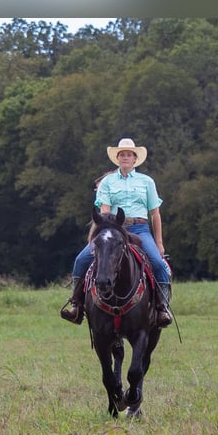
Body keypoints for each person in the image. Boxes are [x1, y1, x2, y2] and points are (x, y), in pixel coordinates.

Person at [60, 138, 173, 328]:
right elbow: (104, 211)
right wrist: (106, 229)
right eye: (122, 155)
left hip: (140, 228)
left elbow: (155, 213)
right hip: (113, 229)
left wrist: (159, 242)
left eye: (129, 154)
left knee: (158, 264)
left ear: (135, 158)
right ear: (117, 158)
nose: (125, 157)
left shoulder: (147, 182)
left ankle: (162, 308)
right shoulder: (107, 182)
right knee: (81, 260)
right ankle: (76, 306)